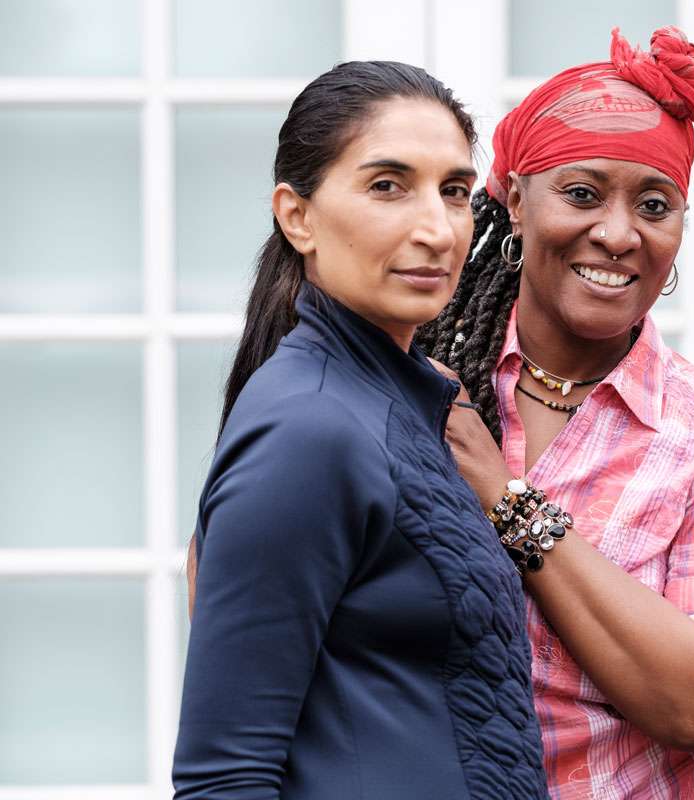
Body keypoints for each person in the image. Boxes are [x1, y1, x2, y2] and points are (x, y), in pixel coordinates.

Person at [414, 27, 694, 800]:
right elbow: (246, 591)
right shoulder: (411, 378)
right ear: (513, 198)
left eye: (655, 204)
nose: (618, 234)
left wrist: (502, 496)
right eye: (582, 194)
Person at [174, 61, 547, 799]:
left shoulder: (408, 401)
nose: (438, 230)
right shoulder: (307, 429)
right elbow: (224, 775)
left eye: (454, 192)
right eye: (388, 186)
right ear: (297, 216)